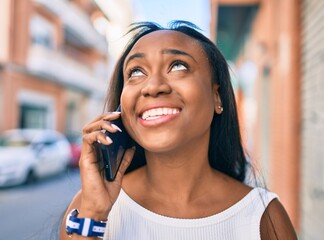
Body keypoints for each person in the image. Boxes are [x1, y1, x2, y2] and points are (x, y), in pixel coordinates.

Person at [59, 20, 297, 240]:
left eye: (178, 66)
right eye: (136, 72)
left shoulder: (264, 216)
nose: (152, 87)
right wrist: (94, 216)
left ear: (217, 96)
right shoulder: (87, 208)